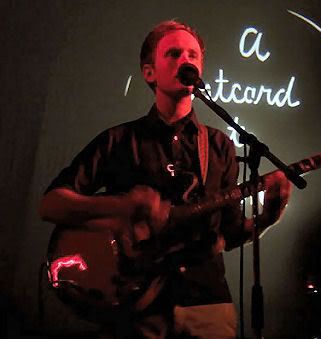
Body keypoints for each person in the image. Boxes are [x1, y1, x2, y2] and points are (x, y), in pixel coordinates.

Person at [39, 20, 291, 338]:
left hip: (206, 304)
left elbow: (228, 233)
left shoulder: (219, 146)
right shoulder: (118, 141)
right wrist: (121, 206)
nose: (186, 60)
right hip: (134, 308)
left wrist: (266, 219)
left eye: (193, 55)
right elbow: (51, 204)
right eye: (173, 54)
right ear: (149, 72)